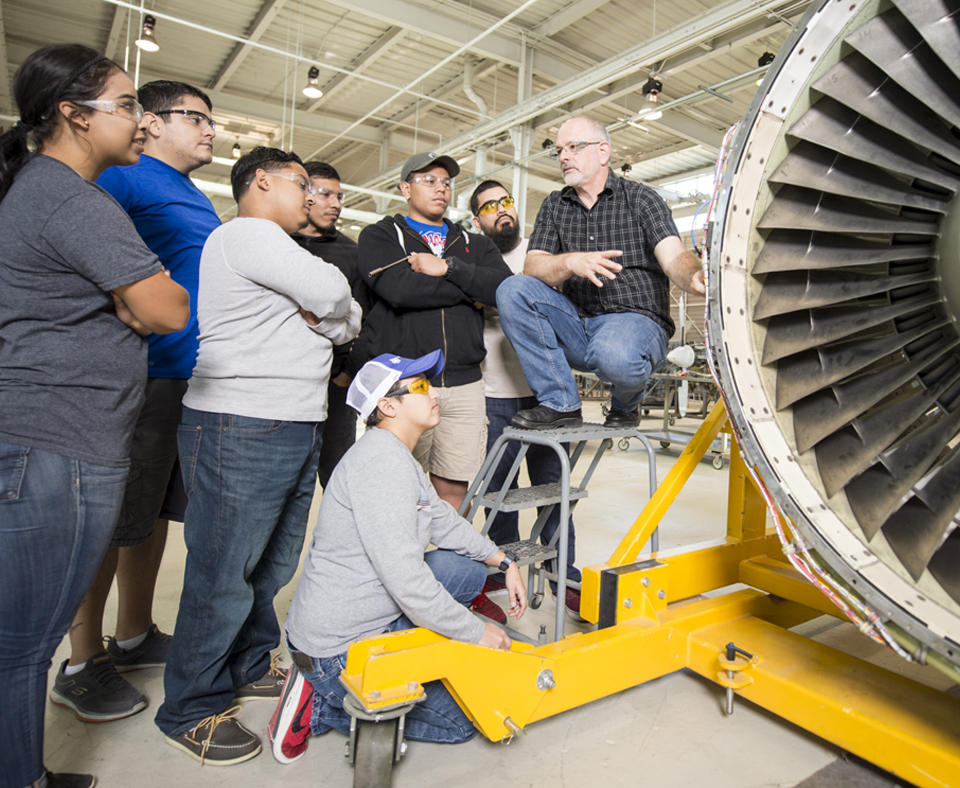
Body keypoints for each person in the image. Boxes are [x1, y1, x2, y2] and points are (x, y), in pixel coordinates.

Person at [0, 44, 189, 788]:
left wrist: (134, 295)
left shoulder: (45, 192)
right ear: (73, 117)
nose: (141, 121)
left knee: (20, 633)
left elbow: (146, 302)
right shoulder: (70, 199)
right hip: (61, 441)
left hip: (49, 435)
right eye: (128, 105)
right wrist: (142, 293)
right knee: (23, 641)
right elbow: (168, 306)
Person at [155, 147, 361, 766]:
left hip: (295, 421)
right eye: (301, 185)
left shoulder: (280, 249)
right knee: (223, 571)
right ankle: (190, 706)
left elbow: (346, 325)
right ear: (261, 182)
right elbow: (334, 292)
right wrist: (325, 309)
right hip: (239, 422)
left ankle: (245, 663)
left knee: (270, 565)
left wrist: (328, 314)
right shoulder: (246, 234)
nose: (310, 197)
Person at [51, 79, 221, 723]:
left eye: (211, 120)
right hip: (145, 378)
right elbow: (86, 259)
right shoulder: (125, 176)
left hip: (187, 377)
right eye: (196, 118)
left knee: (151, 518)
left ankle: (134, 633)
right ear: (150, 121)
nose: (210, 130)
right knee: (113, 519)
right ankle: (81, 660)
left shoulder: (191, 192)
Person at [267, 350, 526, 765]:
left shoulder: (395, 456)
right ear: (387, 406)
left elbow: (442, 520)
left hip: (372, 616)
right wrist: (473, 632)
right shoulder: (380, 465)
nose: (436, 393)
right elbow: (406, 580)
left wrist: (502, 561)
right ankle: (315, 702)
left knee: (464, 569)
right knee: (466, 718)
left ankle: (368, 662)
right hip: (339, 650)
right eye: (422, 387)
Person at [497, 116, 705, 430]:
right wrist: (570, 262)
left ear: (603, 152)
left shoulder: (641, 199)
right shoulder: (555, 206)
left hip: (636, 322)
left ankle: (626, 405)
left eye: (574, 147)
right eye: (559, 151)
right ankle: (560, 402)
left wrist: (693, 277)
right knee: (512, 289)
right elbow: (533, 267)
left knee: (613, 353)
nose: (564, 157)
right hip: (578, 325)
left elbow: (674, 255)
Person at [356, 152, 511, 511]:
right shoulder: (382, 235)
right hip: (406, 382)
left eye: (446, 182)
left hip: (465, 383)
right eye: (429, 180)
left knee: (455, 490)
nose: (440, 188)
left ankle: (451, 567)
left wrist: (445, 268)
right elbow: (398, 290)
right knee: (396, 491)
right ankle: (401, 566)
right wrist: (470, 290)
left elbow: (503, 290)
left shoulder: (475, 244)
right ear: (405, 187)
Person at [469, 180, 582, 619]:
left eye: (506, 201)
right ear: (478, 220)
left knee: (557, 491)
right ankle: (503, 570)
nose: (502, 210)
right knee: (498, 490)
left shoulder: (541, 252)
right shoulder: (474, 257)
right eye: (489, 206)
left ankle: (563, 575)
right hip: (493, 393)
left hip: (546, 396)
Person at [291, 161, 370, 488]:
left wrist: (345, 374)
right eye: (325, 194)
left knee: (337, 478)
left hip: (335, 384)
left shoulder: (352, 253)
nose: (335, 204)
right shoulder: (279, 243)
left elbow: (366, 318)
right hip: (287, 382)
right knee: (287, 478)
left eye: (339, 196)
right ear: (303, 194)